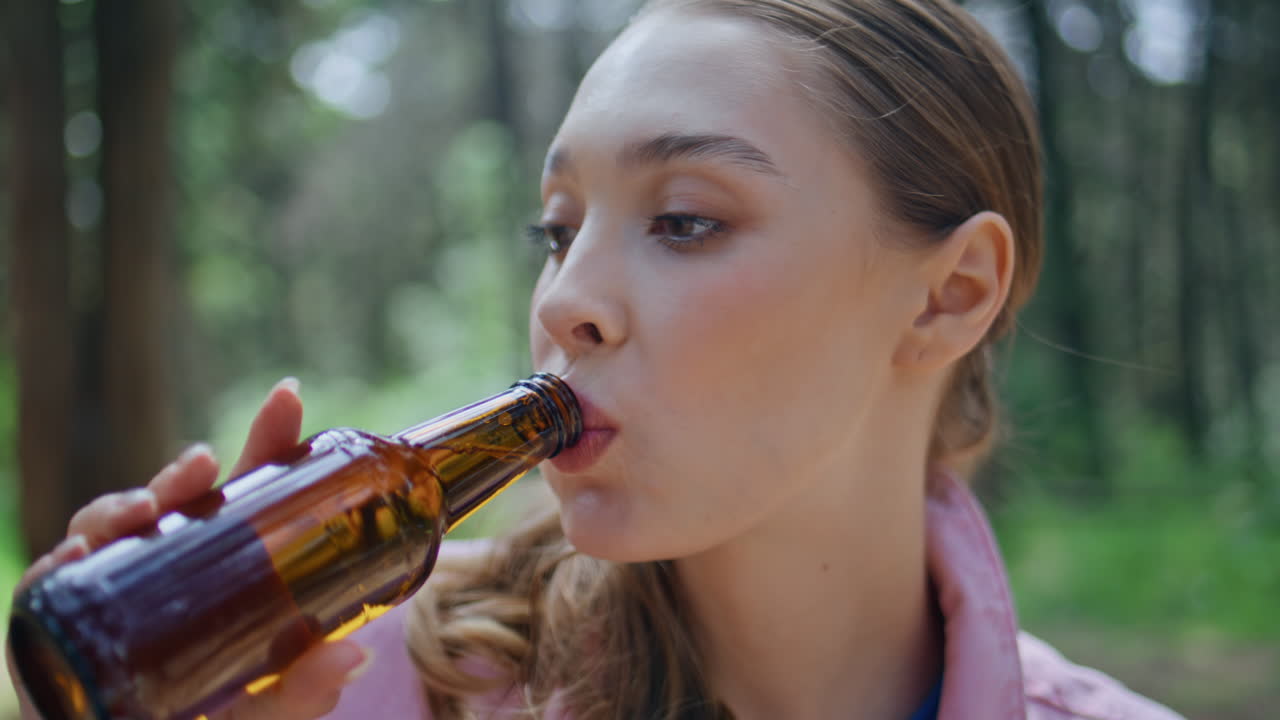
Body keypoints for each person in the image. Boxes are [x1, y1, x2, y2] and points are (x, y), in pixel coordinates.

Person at [10, 1, 1187, 718]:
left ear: (948, 295)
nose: (563, 298)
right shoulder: (365, 687)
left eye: (684, 219)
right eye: (557, 230)